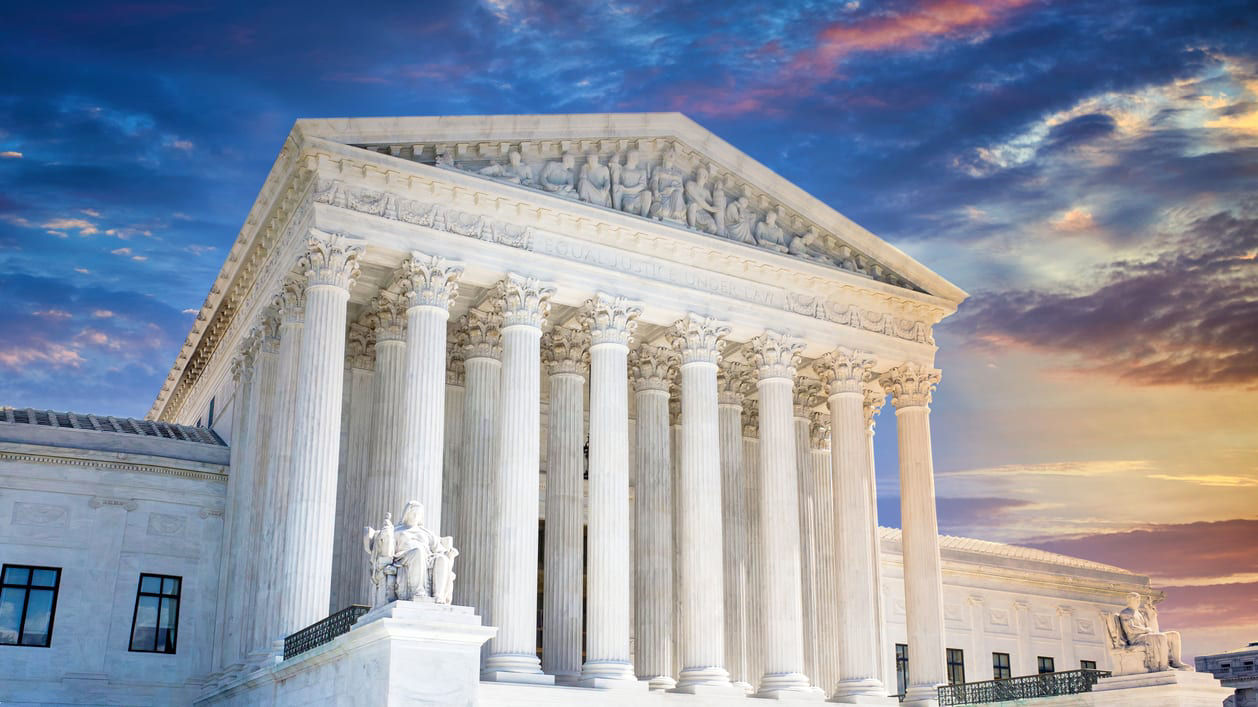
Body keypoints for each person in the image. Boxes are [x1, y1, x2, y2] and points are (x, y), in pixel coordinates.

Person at [1118, 592, 1190, 670]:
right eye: (1136, 599)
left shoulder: (1139, 613)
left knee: (1174, 635)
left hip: (1145, 635)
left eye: (1138, 599)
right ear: (1129, 600)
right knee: (1161, 637)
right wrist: (1146, 630)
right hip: (1136, 639)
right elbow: (1131, 629)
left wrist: (1151, 613)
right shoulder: (1125, 613)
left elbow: (1151, 627)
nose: (1138, 602)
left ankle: (1176, 661)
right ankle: (1163, 665)